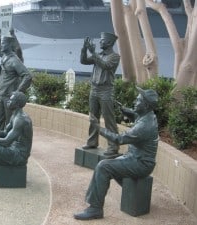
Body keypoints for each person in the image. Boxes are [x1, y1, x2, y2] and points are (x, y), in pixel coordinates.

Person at [74, 87, 159, 220]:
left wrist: (98, 128)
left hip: (141, 164)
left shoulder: (144, 126)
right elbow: (137, 115)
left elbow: (118, 139)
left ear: (146, 105)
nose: (135, 102)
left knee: (104, 166)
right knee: (113, 165)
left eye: (138, 100)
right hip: (136, 158)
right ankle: (134, 194)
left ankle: (95, 208)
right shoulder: (148, 115)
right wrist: (127, 112)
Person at [0, 36, 32, 130]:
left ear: (10, 45)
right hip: (2, 96)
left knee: (10, 123)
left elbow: (27, 76)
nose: (1, 45)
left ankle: (9, 143)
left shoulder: (14, 60)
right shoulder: (4, 58)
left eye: (3, 43)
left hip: (10, 98)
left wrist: (17, 93)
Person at [80, 32, 120, 155]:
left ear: (109, 43)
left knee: (109, 120)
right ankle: (92, 142)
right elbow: (84, 61)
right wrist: (84, 49)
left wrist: (93, 53)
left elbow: (106, 66)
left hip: (106, 91)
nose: (100, 42)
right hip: (94, 89)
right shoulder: (99, 55)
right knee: (93, 118)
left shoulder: (114, 56)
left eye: (102, 41)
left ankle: (113, 146)